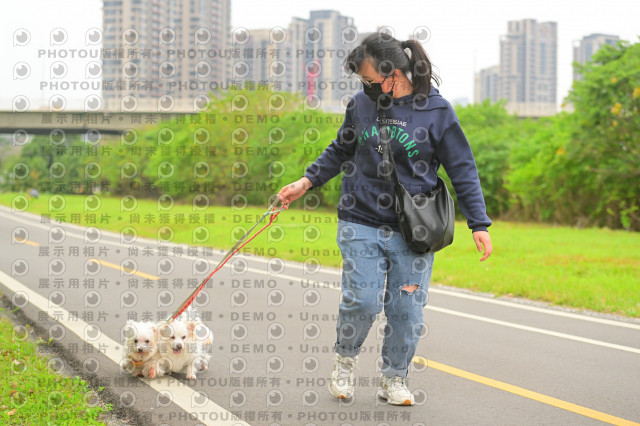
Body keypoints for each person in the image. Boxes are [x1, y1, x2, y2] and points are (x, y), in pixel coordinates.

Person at [277, 32, 493, 406]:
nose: (365, 86)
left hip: (415, 228)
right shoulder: (362, 104)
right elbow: (341, 149)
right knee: (362, 301)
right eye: (362, 80)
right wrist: (306, 181)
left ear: (392, 73)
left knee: (406, 309)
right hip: (360, 218)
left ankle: (394, 378)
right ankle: (345, 362)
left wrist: (479, 223)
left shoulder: (437, 111)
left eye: (369, 79)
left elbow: (462, 168)